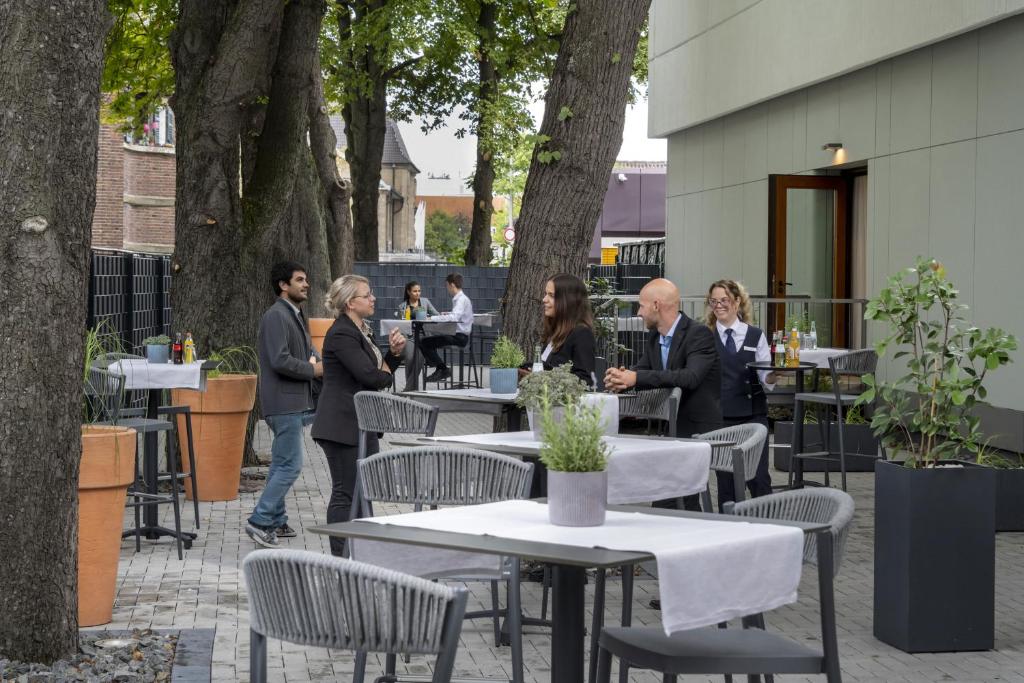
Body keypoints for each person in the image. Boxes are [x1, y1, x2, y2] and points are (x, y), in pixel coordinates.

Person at [604, 277, 722, 510]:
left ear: (657, 305)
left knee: (672, 497)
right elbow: (645, 370)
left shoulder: (698, 334)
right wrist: (622, 378)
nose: (639, 312)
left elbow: (690, 377)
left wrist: (635, 378)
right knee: (672, 497)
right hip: (671, 428)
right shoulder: (655, 337)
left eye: (641, 305)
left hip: (698, 429)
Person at [311, 275, 406, 557]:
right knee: (345, 493)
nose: (372, 298)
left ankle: (362, 555)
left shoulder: (361, 330)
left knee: (363, 492)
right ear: (351, 302)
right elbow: (369, 376)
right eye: (367, 295)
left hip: (361, 424)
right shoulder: (342, 333)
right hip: (341, 425)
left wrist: (395, 355)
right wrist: (384, 373)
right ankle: (341, 559)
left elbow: (377, 373)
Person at [245, 261, 323, 549]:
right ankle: (259, 521)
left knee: (280, 464)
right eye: (300, 280)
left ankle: (276, 519)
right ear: (283, 285)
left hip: (292, 401)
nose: (306, 284)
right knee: (291, 465)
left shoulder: (295, 313)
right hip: (284, 403)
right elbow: (279, 359)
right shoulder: (276, 316)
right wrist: (312, 369)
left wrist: (316, 360)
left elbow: (307, 349)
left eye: (306, 280)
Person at [706, 279, 776, 507]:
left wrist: (776, 375)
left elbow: (766, 378)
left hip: (753, 415)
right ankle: (730, 534)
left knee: (759, 479)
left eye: (724, 300)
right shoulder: (704, 337)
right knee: (726, 482)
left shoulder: (756, 336)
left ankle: (766, 530)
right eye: (714, 301)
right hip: (721, 417)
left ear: (737, 302)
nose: (719, 305)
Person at [520, 273, 596, 387]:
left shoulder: (581, 334)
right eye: (546, 294)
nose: (544, 299)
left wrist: (546, 377)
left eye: (551, 295)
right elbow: (548, 369)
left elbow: (585, 381)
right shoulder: (556, 332)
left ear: (568, 301)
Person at [419, 272, 473, 383]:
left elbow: (453, 317)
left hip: (459, 337)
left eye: (447, 286)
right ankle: (439, 367)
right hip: (459, 335)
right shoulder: (461, 299)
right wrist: (446, 314)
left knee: (424, 342)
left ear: (452, 285)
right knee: (428, 341)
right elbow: (456, 315)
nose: (447, 289)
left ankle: (441, 369)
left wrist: (432, 318)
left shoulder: (461, 299)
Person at [397, 281, 439, 392]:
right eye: (415, 291)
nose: (417, 293)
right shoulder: (402, 306)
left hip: (423, 337)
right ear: (408, 292)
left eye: (419, 291)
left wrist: (427, 317)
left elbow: (437, 315)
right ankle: (412, 388)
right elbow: (402, 324)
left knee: (419, 359)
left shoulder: (425, 302)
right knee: (410, 358)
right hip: (409, 336)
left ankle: (409, 388)